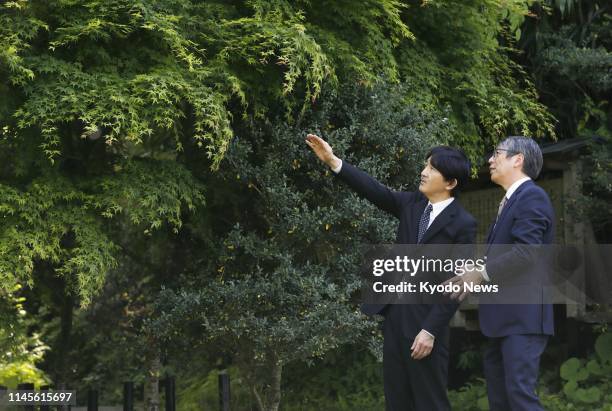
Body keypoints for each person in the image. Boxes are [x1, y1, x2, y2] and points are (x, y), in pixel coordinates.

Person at [305, 134, 476, 411]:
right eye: (425, 166)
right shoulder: (412, 205)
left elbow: (457, 285)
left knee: (431, 402)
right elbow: (375, 190)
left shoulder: (463, 224)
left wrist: (430, 331)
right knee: (397, 402)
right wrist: (333, 161)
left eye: (432, 168)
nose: (423, 172)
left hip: (426, 326)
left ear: (450, 183)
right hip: (396, 318)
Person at [446, 136, 554, 411]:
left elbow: (526, 252)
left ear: (518, 159)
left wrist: (480, 273)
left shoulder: (532, 195)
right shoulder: (510, 201)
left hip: (522, 318)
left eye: (497, 154)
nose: (490, 160)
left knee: (519, 398)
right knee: (500, 401)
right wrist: (470, 273)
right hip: (501, 320)